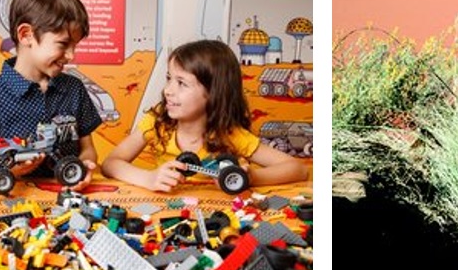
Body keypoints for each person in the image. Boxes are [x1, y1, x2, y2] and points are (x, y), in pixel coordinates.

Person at [101, 39, 308, 192]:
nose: (168, 90)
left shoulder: (230, 135)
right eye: (169, 79)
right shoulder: (157, 124)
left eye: (181, 83)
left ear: (213, 92)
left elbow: (296, 169)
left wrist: (252, 177)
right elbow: (111, 163)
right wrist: (148, 178)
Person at [0, 0, 101, 190]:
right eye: (63, 44)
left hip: (66, 194)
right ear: (26, 35)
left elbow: (88, 149)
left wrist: (85, 167)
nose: (71, 55)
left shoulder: (74, 89)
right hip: (15, 194)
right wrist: (4, 172)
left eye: (75, 46)